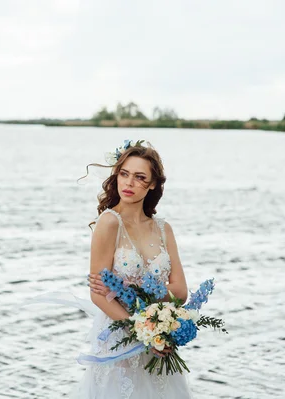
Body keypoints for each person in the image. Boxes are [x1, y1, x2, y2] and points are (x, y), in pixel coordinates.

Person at [72, 140, 195, 398]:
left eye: (139, 177)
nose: (128, 183)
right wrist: (141, 332)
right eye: (124, 174)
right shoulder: (109, 223)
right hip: (121, 340)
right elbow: (98, 294)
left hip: (160, 341)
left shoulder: (164, 229)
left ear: (152, 184)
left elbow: (181, 292)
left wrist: (148, 318)